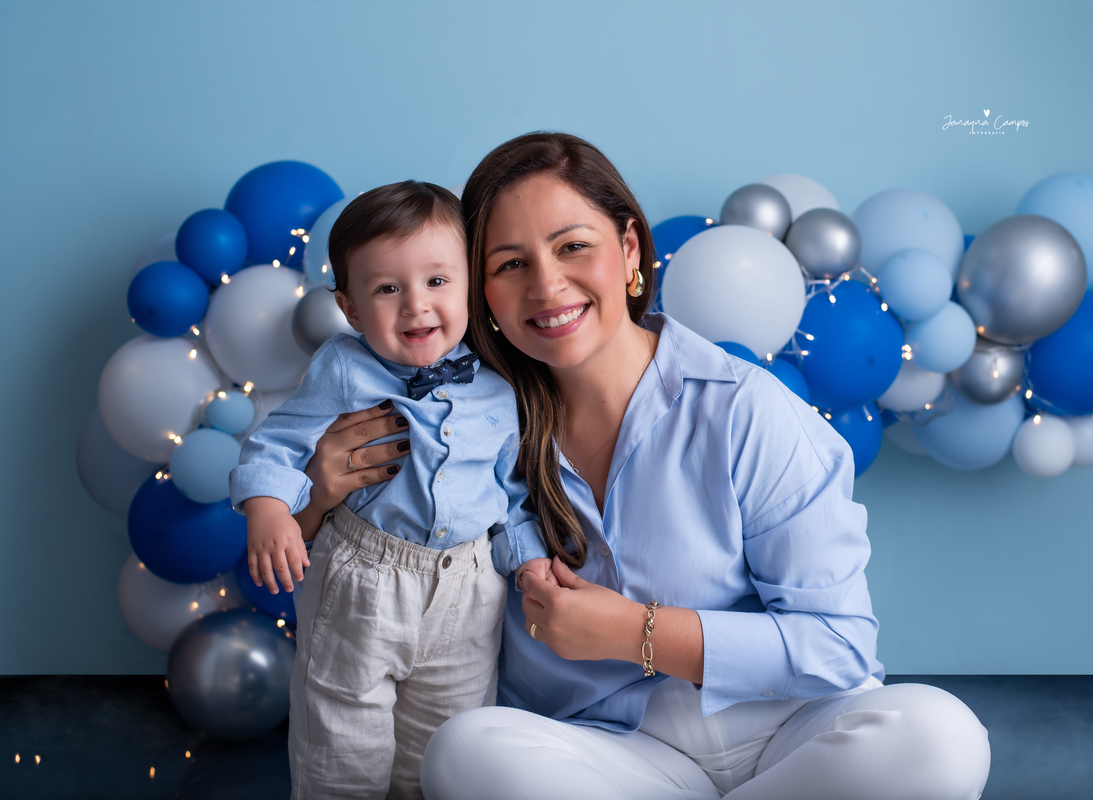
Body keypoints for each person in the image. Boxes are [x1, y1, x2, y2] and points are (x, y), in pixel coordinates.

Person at [298, 134, 993, 799]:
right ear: (481, 292)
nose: (547, 284)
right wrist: (319, 497)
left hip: (790, 730)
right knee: (463, 752)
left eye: (573, 246)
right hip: (608, 755)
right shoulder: (462, 426)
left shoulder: (744, 407)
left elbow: (837, 645)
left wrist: (635, 633)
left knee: (942, 739)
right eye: (510, 264)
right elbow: (360, 570)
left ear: (629, 250)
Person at [230, 181, 555, 799]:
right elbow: (278, 442)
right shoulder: (342, 367)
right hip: (365, 579)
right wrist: (269, 509)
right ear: (350, 309)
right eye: (387, 289)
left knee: (444, 752)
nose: (416, 306)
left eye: (437, 281)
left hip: (469, 589)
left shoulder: (498, 389)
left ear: (470, 286)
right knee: (342, 749)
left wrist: (530, 561)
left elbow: (510, 493)